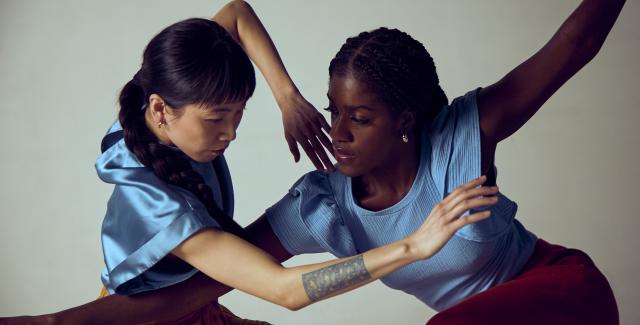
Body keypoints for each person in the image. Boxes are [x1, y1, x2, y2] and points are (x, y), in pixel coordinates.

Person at [1, 0, 624, 324]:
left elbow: (574, 45)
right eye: (333, 111)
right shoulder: (319, 207)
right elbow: (211, 287)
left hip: (560, 291)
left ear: (405, 122)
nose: (337, 131)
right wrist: (61, 322)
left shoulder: (459, 138)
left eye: (360, 116)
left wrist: (286, 97)